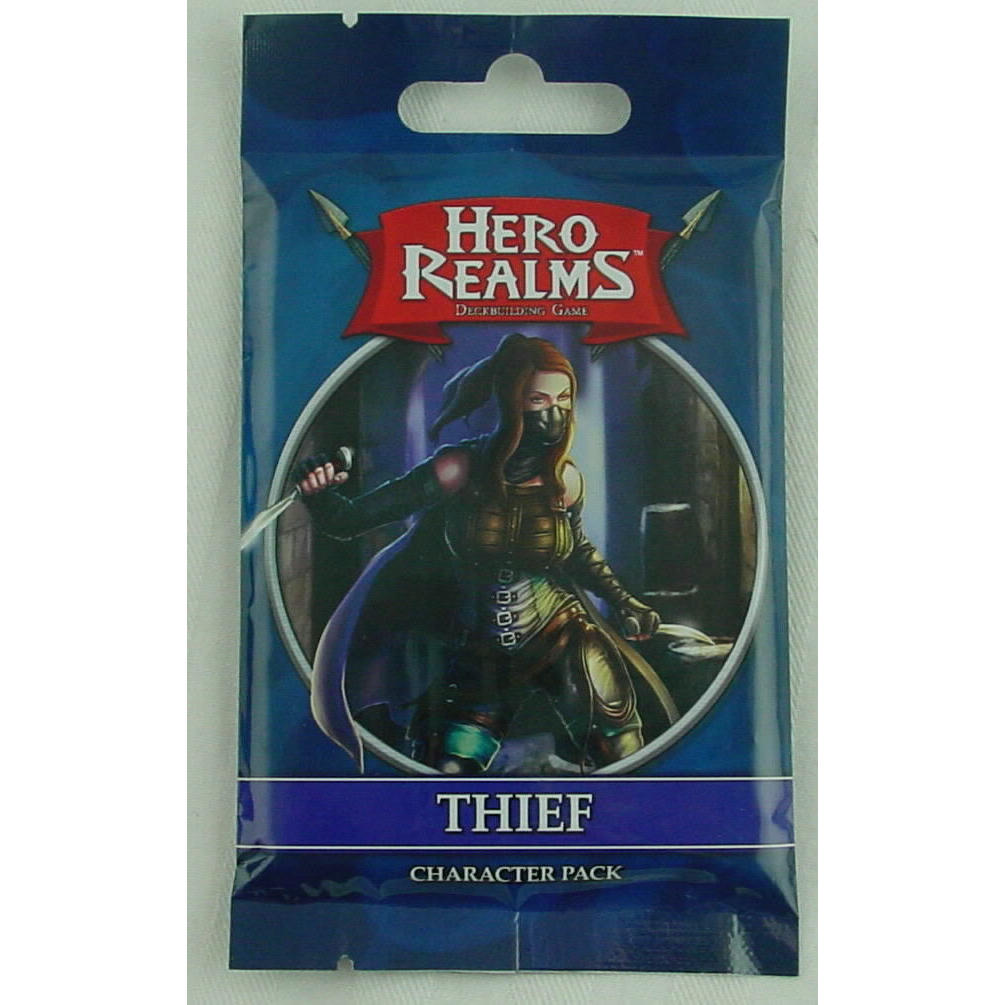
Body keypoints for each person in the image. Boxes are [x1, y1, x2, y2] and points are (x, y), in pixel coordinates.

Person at [298, 333, 678, 774]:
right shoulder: (459, 468)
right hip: (479, 653)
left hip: (562, 638)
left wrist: (625, 602)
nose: (553, 413)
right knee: (446, 772)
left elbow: (577, 552)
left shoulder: (564, 480)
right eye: (538, 400)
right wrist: (320, 495)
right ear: (512, 401)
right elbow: (348, 521)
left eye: (563, 399)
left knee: (621, 752)